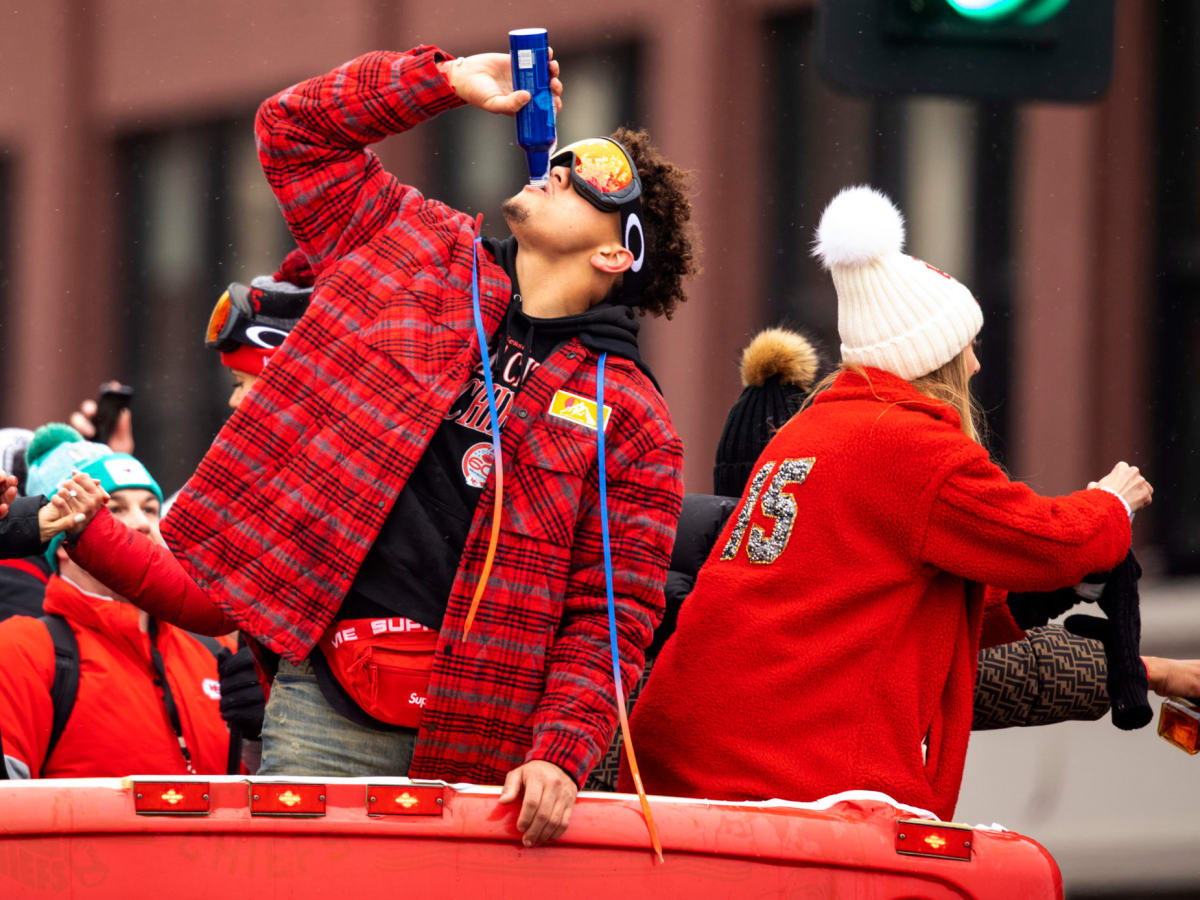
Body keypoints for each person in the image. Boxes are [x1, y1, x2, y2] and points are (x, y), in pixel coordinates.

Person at [100, 46, 694, 847]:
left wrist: (562, 753)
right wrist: (442, 83)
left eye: (596, 181)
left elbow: (609, 618)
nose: (561, 168)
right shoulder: (411, 249)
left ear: (616, 253)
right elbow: (292, 133)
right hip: (324, 705)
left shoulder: (634, 419)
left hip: (491, 753)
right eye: (563, 159)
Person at [624, 186, 1150, 821]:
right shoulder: (911, 446)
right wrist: (1110, 505)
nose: (978, 365)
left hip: (682, 766)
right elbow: (1056, 542)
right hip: (795, 787)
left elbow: (880, 609)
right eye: (968, 347)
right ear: (934, 359)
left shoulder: (810, 431)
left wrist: (1041, 599)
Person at [0, 425, 236, 778]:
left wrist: (261, 734)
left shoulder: (215, 650)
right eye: (117, 508)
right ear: (63, 538)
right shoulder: (21, 650)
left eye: (151, 508)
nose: (143, 524)